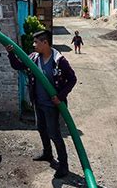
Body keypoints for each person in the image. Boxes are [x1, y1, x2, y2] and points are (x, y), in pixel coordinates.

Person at [5, 30, 77, 179]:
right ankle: (47, 153)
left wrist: (60, 96)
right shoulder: (33, 58)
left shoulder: (59, 60)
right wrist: (11, 53)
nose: (33, 45)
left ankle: (63, 165)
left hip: (52, 106)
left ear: (45, 43)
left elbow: (72, 79)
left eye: (36, 42)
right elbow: (17, 65)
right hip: (38, 102)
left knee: (54, 134)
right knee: (41, 129)